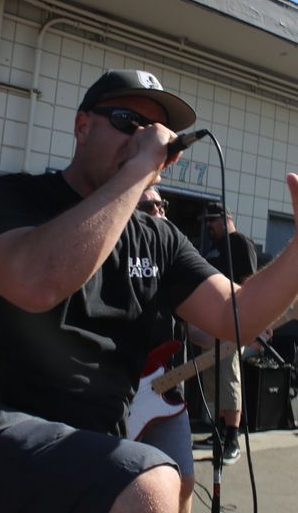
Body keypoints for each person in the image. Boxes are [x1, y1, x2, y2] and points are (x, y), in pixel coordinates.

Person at [0, 68, 298, 513]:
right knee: (150, 483)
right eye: (128, 122)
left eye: (156, 133)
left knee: (171, 482)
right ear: (82, 126)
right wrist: (138, 167)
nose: (145, 139)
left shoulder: (159, 240)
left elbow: (235, 315)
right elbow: (36, 282)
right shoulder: (12, 198)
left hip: (99, 445)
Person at [135, 185, 195, 513]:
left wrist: (243, 330)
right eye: (149, 207)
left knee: (184, 480)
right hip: (117, 393)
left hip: (166, 392)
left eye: (162, 206)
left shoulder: (174, 264)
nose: (158, 212)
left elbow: (198, 327)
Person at [190, 203, 257, 465]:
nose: (208, 225)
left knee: (229, 377)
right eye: (205, 221)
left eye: (211, 220)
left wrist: (247, 320)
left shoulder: (239, 242)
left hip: (232, 321)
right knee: (212, 379)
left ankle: (232, 438)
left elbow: (249, 281)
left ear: (226, 217)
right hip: (210, 323)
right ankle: (217, 432)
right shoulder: (212, 248)